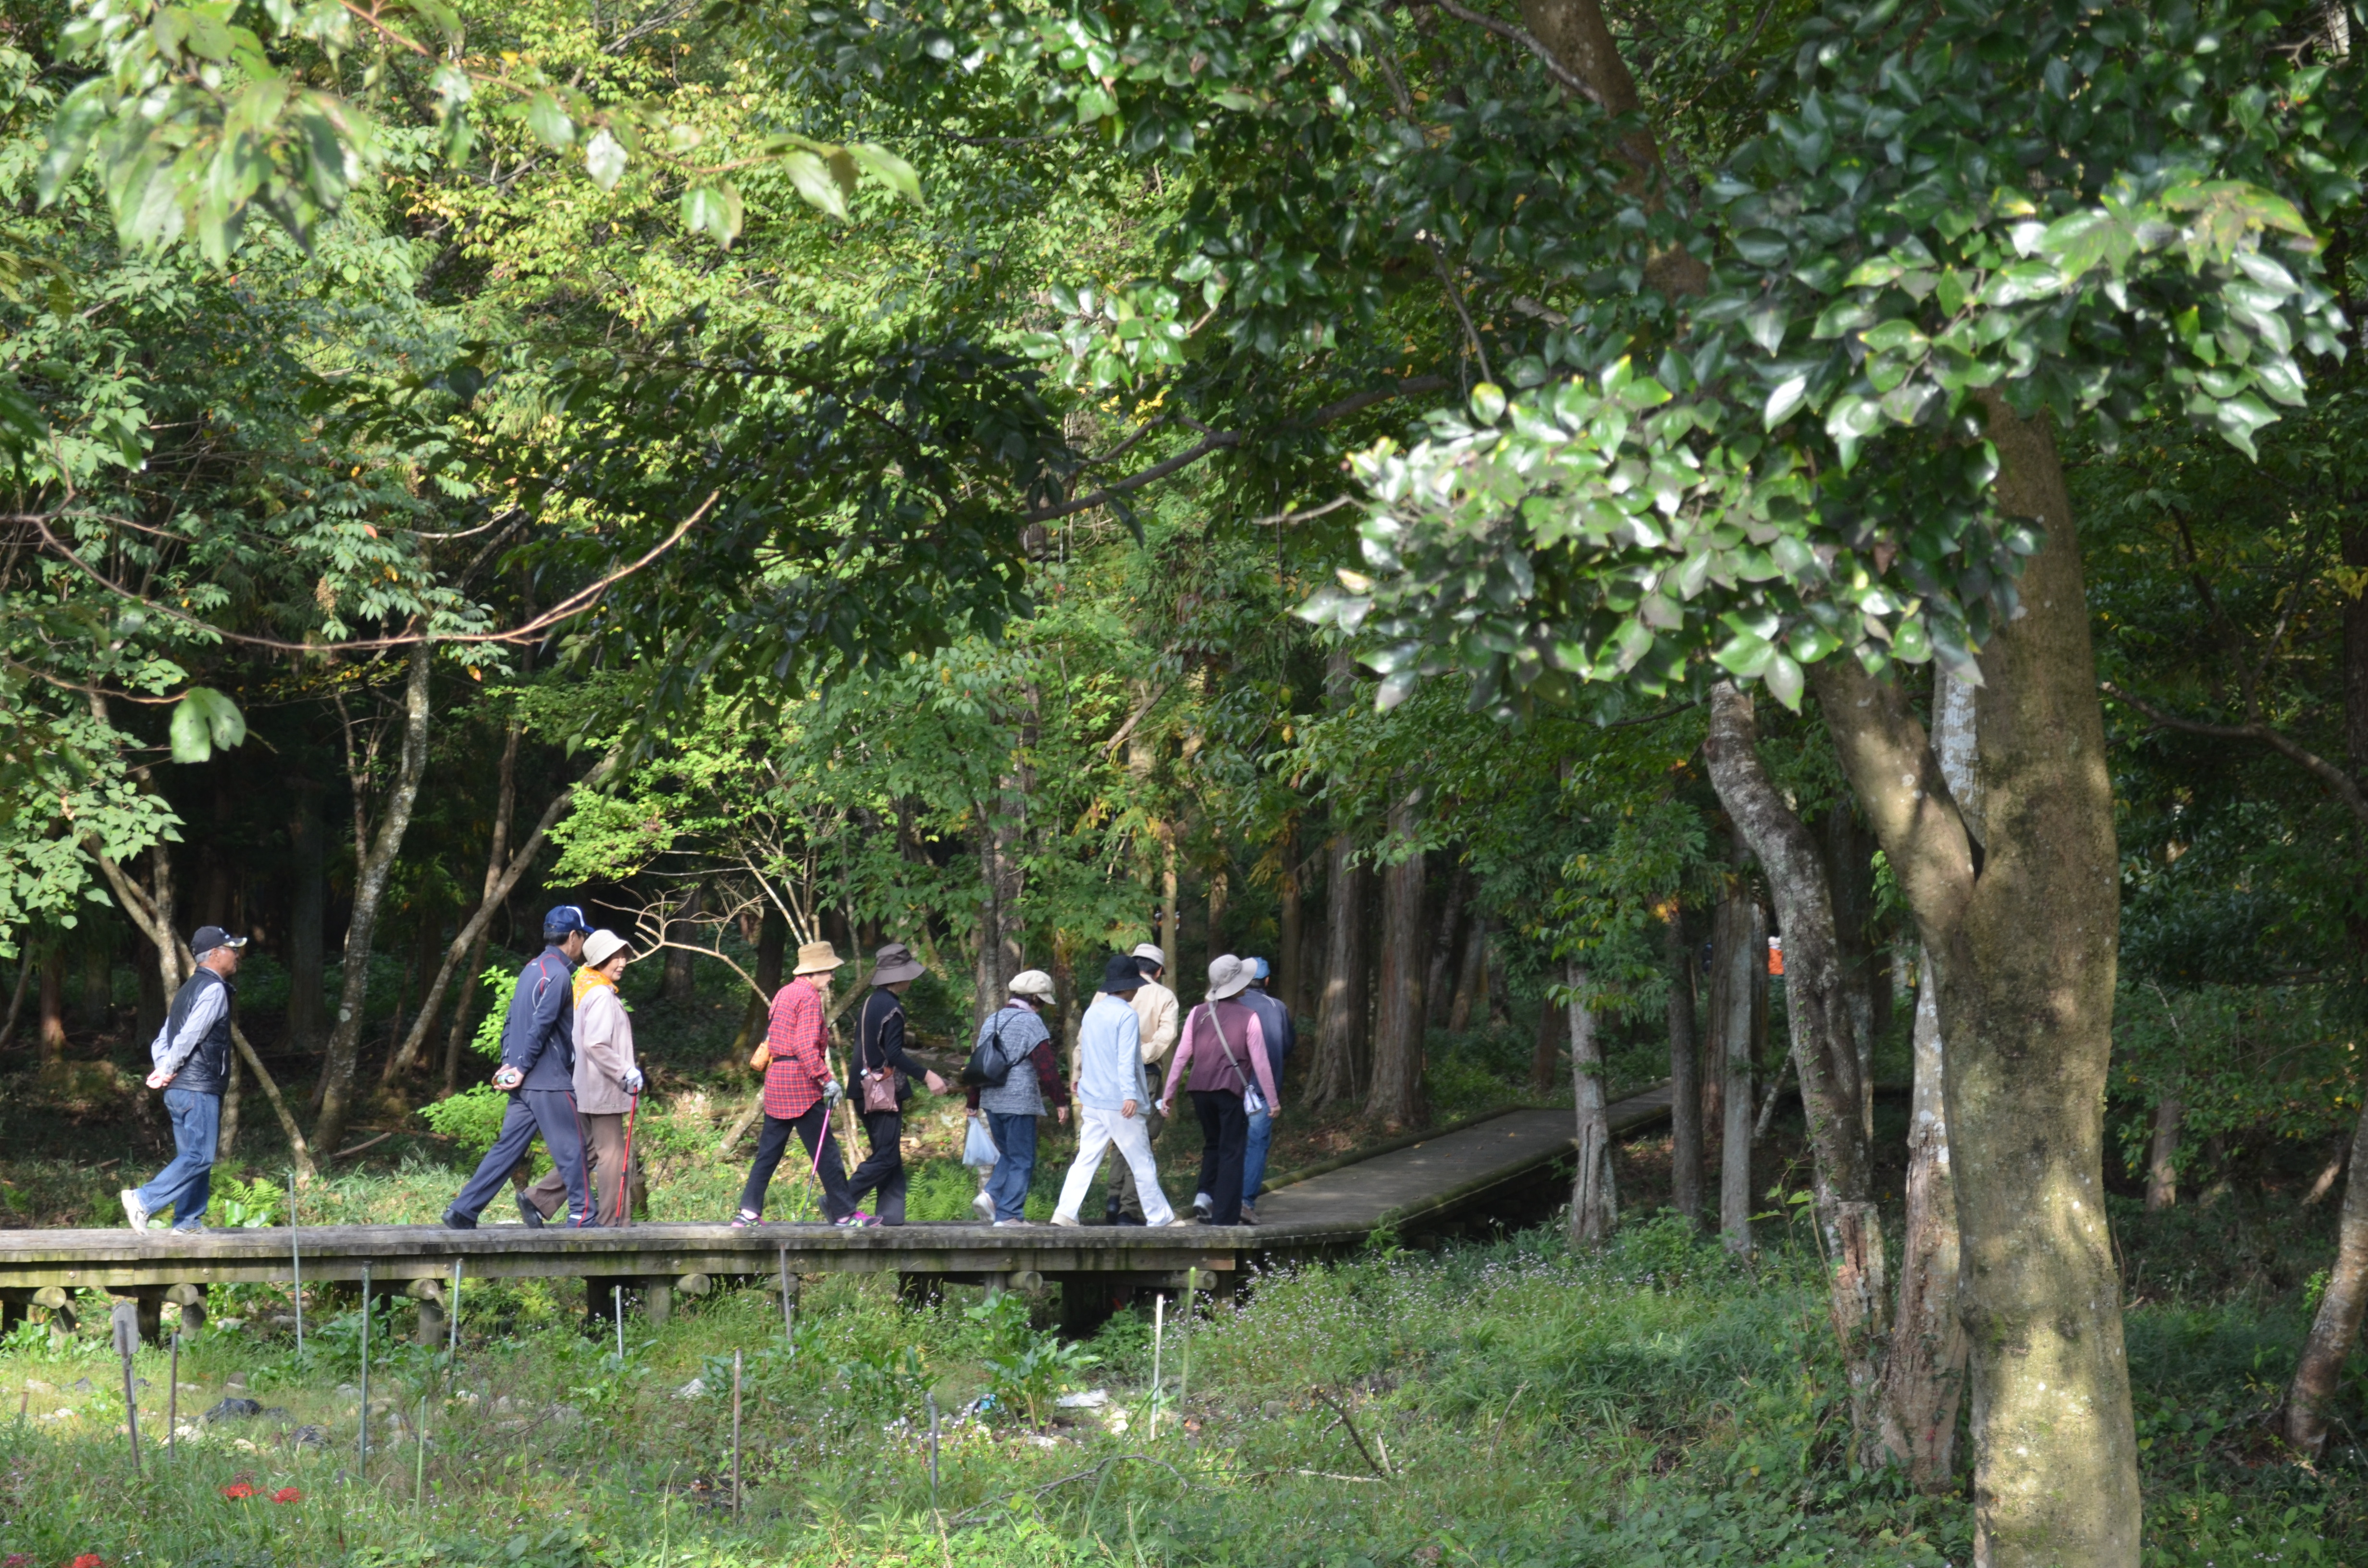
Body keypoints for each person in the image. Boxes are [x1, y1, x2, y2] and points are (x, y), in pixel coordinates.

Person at [444, 907, 597, 1230]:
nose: (583, 945)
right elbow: (540, 1027)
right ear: (573, 937)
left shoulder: (532, 968)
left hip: (525, 1082)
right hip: (549, 1080)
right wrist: (524, 1067)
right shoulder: (558, 975)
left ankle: (463, 1210)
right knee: (574, 1148)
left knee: (507, 1150)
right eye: (583, 937)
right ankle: (583, 1216)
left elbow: (512, 1021)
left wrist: (509, 1064)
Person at [121, 926, 248, 1234]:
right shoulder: (213, 990)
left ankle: (188, 1221)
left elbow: (163, 1038)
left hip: (179, 1090)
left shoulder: (188, 989)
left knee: (192, 1156)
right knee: (200, 1156)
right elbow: (191, 1035)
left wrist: (163, 1067)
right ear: (215, 955)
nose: (237, 956)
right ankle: (143, 1199)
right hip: (197, 1087)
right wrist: (167, 1069)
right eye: (232, 949)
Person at [522, 929, 646, 1227]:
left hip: (587, 1087)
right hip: (604, 1088)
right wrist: (625, 1071)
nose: (622, 962)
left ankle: (538, 1198)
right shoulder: (602, 995)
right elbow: (596, 1043)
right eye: (614, 957)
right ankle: (612, 1222)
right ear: (600, 960)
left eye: (623, 956)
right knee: (613, 1155)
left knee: (589, 1151)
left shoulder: (587, 988)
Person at [1051, 955, 1183, 1228]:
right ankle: (1161, 1218)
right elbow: (1126, 1059)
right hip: (1117, 1101)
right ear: (1130, 987)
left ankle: (1064, 1213)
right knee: (1142, 1160)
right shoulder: (1126, 1015)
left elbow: (1087, 1051)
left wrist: (1080, 1079)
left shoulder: (1093, 1012)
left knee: (1086, 1159)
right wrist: (1130, 1095)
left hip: (1094, 1099)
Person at [732, 940, 856, 1226]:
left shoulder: (784, 993)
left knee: (768, 1152)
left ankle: (748, 1213)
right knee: (826, 1152)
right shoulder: (810, 997)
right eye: (828, 971)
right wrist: (827, 1079)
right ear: (813, 973)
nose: (832, 977)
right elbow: (804, 1045)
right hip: (800, 1086)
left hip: (776, 1081)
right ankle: (845, 1215)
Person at [1157, 954, 1280, 1227]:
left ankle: (1205, 1197)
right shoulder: (1249, 1017)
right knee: (1232, 1152)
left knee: (1213, 1144)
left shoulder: (1198, 1013)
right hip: (1230, 1091)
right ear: (1239, 984)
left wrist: (1169, 1093)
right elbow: (1260, 1061)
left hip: (1199, 1091)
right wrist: (1272, 1100)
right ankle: (1224, 1220)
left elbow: (1181, 1056)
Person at [842, 942, 949, 1226]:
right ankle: (840, 1202)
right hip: (882, 1094)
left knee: (887, 1154)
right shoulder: (892, 1007)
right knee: (887, 1156)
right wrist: (928, 1075)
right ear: (899, 976)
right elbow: (894, 1054)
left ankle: (891, 1217)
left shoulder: (871, 1003)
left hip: (862, 1091)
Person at [965, 969, 1070, 1226]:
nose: (1044, 1006)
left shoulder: (993, 1020)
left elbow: (979, 1061)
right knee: (1023, 1157)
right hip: (1019, 1100)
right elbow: (1046, 1066)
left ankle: (990, 1196)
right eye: (1043, 1000)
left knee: (1009, 1154)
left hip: (991, 1099)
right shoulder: (1032, 1022)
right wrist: (1060, 1101)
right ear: (1035, 998)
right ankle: (1009, 1214)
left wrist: (972, 1101)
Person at [1107, 942, 1180, 1226]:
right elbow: (1165, 1036)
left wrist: (1079, 1071)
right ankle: (1129, 1209)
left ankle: (1113, 1201)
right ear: (1159, 970)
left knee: (1118, 1138)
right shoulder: (1164, 995)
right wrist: (1139, 1057)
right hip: (1145, 1073)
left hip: (1107, 1073)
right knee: (1141, 1140)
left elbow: (1086, 1035)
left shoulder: (1107, 992)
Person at [1236, 956, 1297, 1223]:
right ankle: (1245, 1202)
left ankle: (1216, 1198)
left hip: (1229, 1087)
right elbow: (1286, 1047)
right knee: (1256, 1145)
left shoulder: (1230, 1005)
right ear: (1268, 981)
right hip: (1262, 1090)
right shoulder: (1278, 1008)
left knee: (1227, 1143)